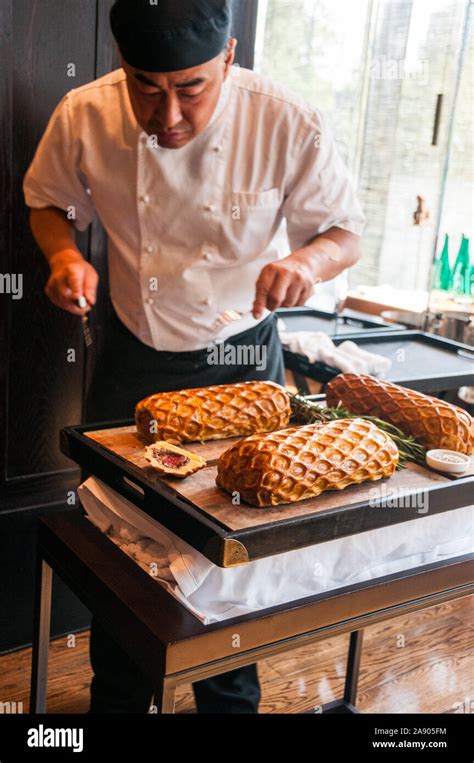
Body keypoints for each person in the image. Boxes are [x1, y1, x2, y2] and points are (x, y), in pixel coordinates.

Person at [23, 0, 365, 713]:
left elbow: (343, 232)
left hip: (241, 364)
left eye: (192, 88)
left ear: (229, 57)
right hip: (131, 357)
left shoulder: (284, 119)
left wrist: (307, 260)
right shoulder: (84, 113)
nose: (169, 114)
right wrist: (62, 257)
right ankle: (116, 695)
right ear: (122, 68)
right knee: (122, 546)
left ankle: (229, 700)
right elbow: (47, 201)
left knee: (230, 557)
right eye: (147, 86)